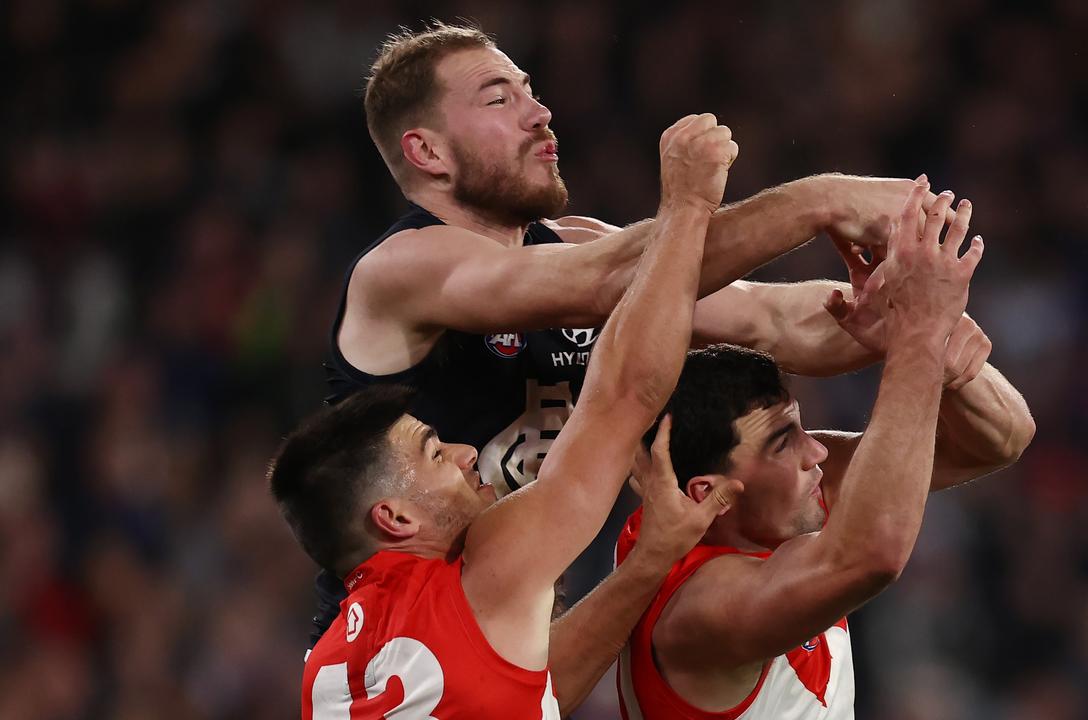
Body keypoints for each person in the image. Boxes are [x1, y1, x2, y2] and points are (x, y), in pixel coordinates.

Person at [311, 22, 963, 713]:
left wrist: (917, 300)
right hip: (401, 661)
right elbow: (617, 279)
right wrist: (821, 200)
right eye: (500, 99)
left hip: (515, 645)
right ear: (427, 152)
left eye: (532, 91)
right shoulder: (399, 271)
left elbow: (777, 321)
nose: (540, 113)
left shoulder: (580, 243)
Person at [271, 112, 740, 718]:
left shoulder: (327, 668)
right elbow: (624, 394)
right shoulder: (481, 573)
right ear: (393, 516)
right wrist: (687, 208)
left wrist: (648, 562)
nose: (466, 452)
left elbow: (533, 695)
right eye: (435, 454)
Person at [617, 185, 1036, 718]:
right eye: (782, 442)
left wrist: (929, 350)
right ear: (709, 495)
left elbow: (999, 439)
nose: (815, 451)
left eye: (800, 426)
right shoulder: (696, 611)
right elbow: (871, 554)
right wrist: (918, 337)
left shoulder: (764, 506)